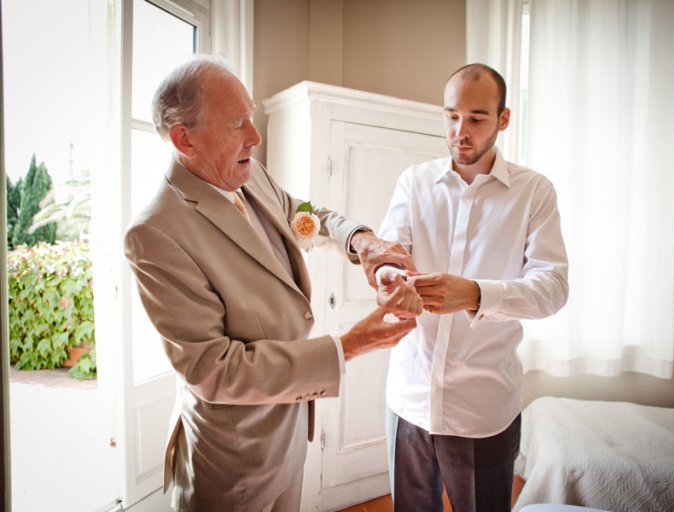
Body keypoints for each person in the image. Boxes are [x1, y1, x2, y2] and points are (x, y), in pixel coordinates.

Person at [123, 55, 417, 512]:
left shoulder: (248, 173)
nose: (255, 138)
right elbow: (213, 369)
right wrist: (350, 345)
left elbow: (305, 217)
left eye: (252, 118)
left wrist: (364, 243)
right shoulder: (154, 233)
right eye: (236, 124)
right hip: (231, 461)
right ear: (184, 138)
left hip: (290, 432)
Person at [376, 63, 569, 512]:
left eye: (477, 118)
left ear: (503, 119)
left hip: (483, 410)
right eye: (450, 116)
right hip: (409, 397)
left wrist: (477, 295)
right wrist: (387, 278)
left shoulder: (534, 193)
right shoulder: (414, 182)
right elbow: (388, 254)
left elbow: (554, 286)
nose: (460, 131)